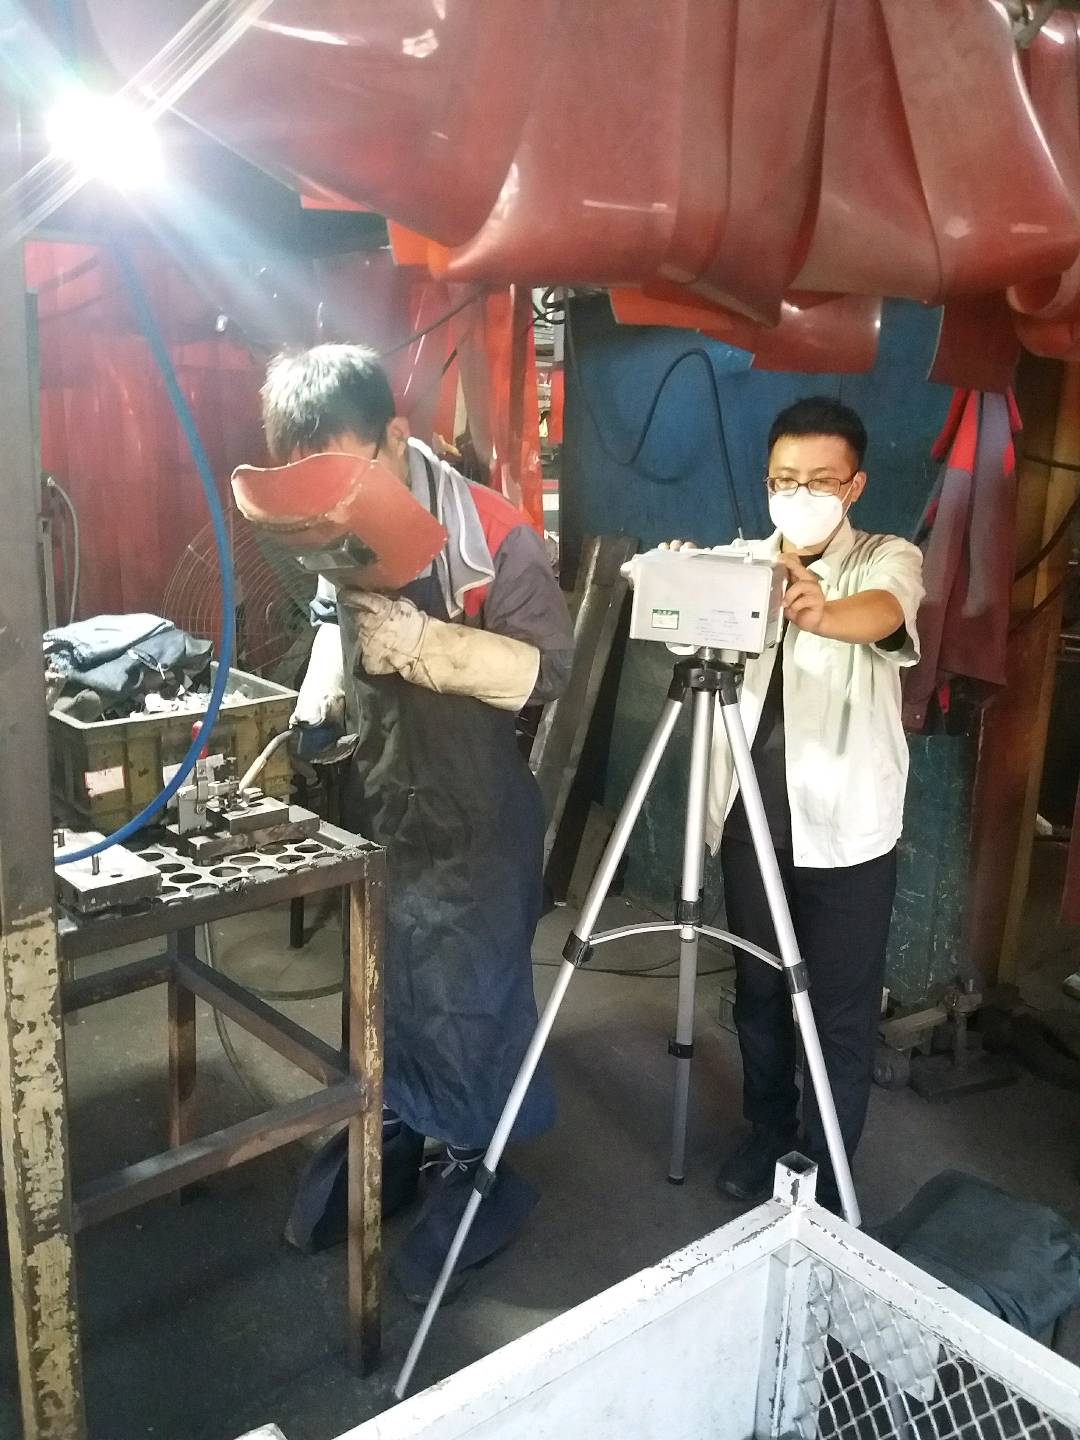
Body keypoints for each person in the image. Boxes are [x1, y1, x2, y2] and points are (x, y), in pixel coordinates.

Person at [260, 344, 575, 1300]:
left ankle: (477, 1161)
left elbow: (550, 671)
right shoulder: (332, 521)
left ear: (396, 438)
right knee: (388, 981)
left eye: (345, 472)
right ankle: (397, 1117)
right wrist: (320, 699)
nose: (331, 503)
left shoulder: (492, 536)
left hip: (475, 817)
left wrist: (431, 644)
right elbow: (333, 618)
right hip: (386, 801)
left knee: (464, 992)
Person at [672, 396, 924, 1213]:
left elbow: (886, 613)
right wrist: (677, 581)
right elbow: (684, 630)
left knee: (839, 1012)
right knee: (759, 993)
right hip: (751, 826)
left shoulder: (886, 557)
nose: (800, 494)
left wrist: (822, 612)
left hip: (848, 837)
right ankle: (768, 1131)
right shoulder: (742, 562)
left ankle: (823, 1167)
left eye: (820, 480)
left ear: (854, 486)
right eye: (785, 479)